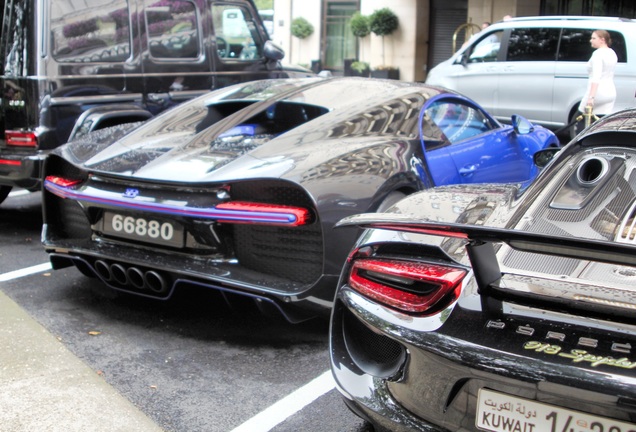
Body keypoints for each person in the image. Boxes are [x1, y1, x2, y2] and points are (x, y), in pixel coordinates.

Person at [579, 29, 618, 116]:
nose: (591, 40)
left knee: (580, 118)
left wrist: (591, 97)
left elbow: (596, 77)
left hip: (598, 93)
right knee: (601, 122)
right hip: (610, 92)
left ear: (602, 40)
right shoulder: (612, 53)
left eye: (593, 38)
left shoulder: (598, 54)